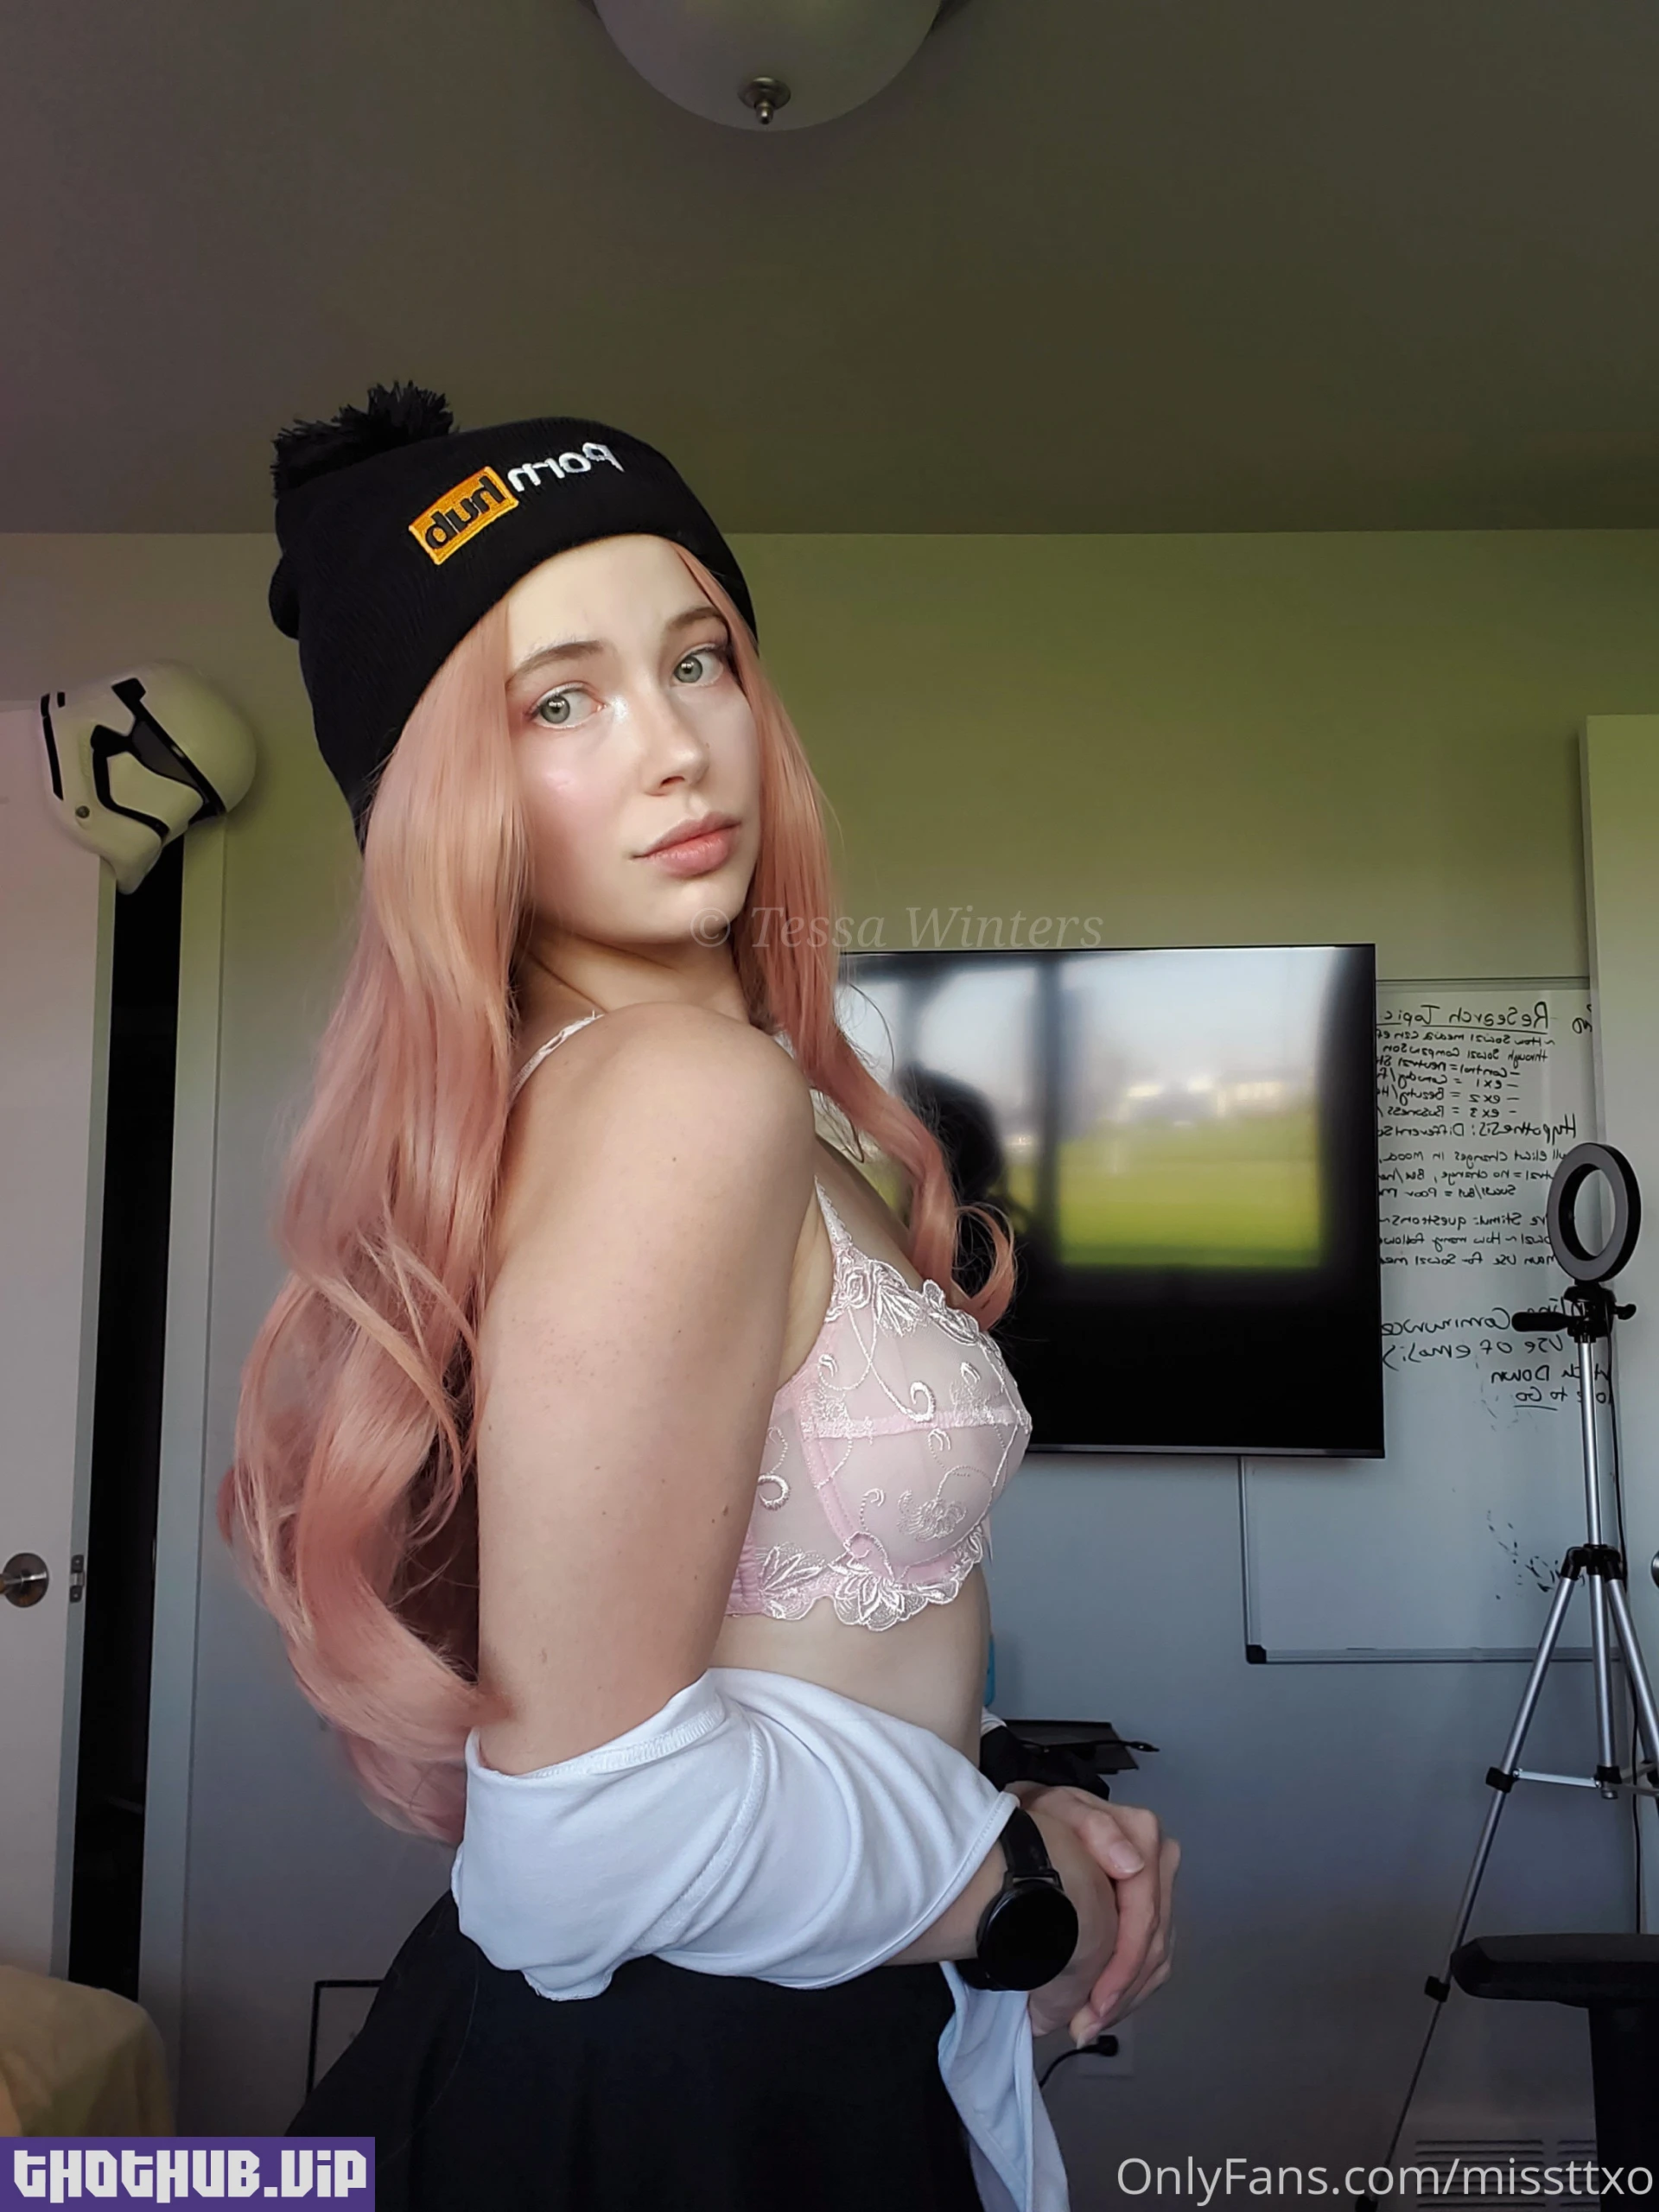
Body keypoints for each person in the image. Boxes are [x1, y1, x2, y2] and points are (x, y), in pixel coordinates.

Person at [221, 385, 1179, 2212]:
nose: (677, 749)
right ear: (440, 794)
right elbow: (575, 1851)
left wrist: (988, 1811)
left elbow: (778, 1669)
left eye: (698, 659)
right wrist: (1009, 1884)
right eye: (557, 701)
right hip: (687, 2097)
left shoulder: (679, 1092)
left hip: (761, 2043)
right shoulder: (678, 1096)